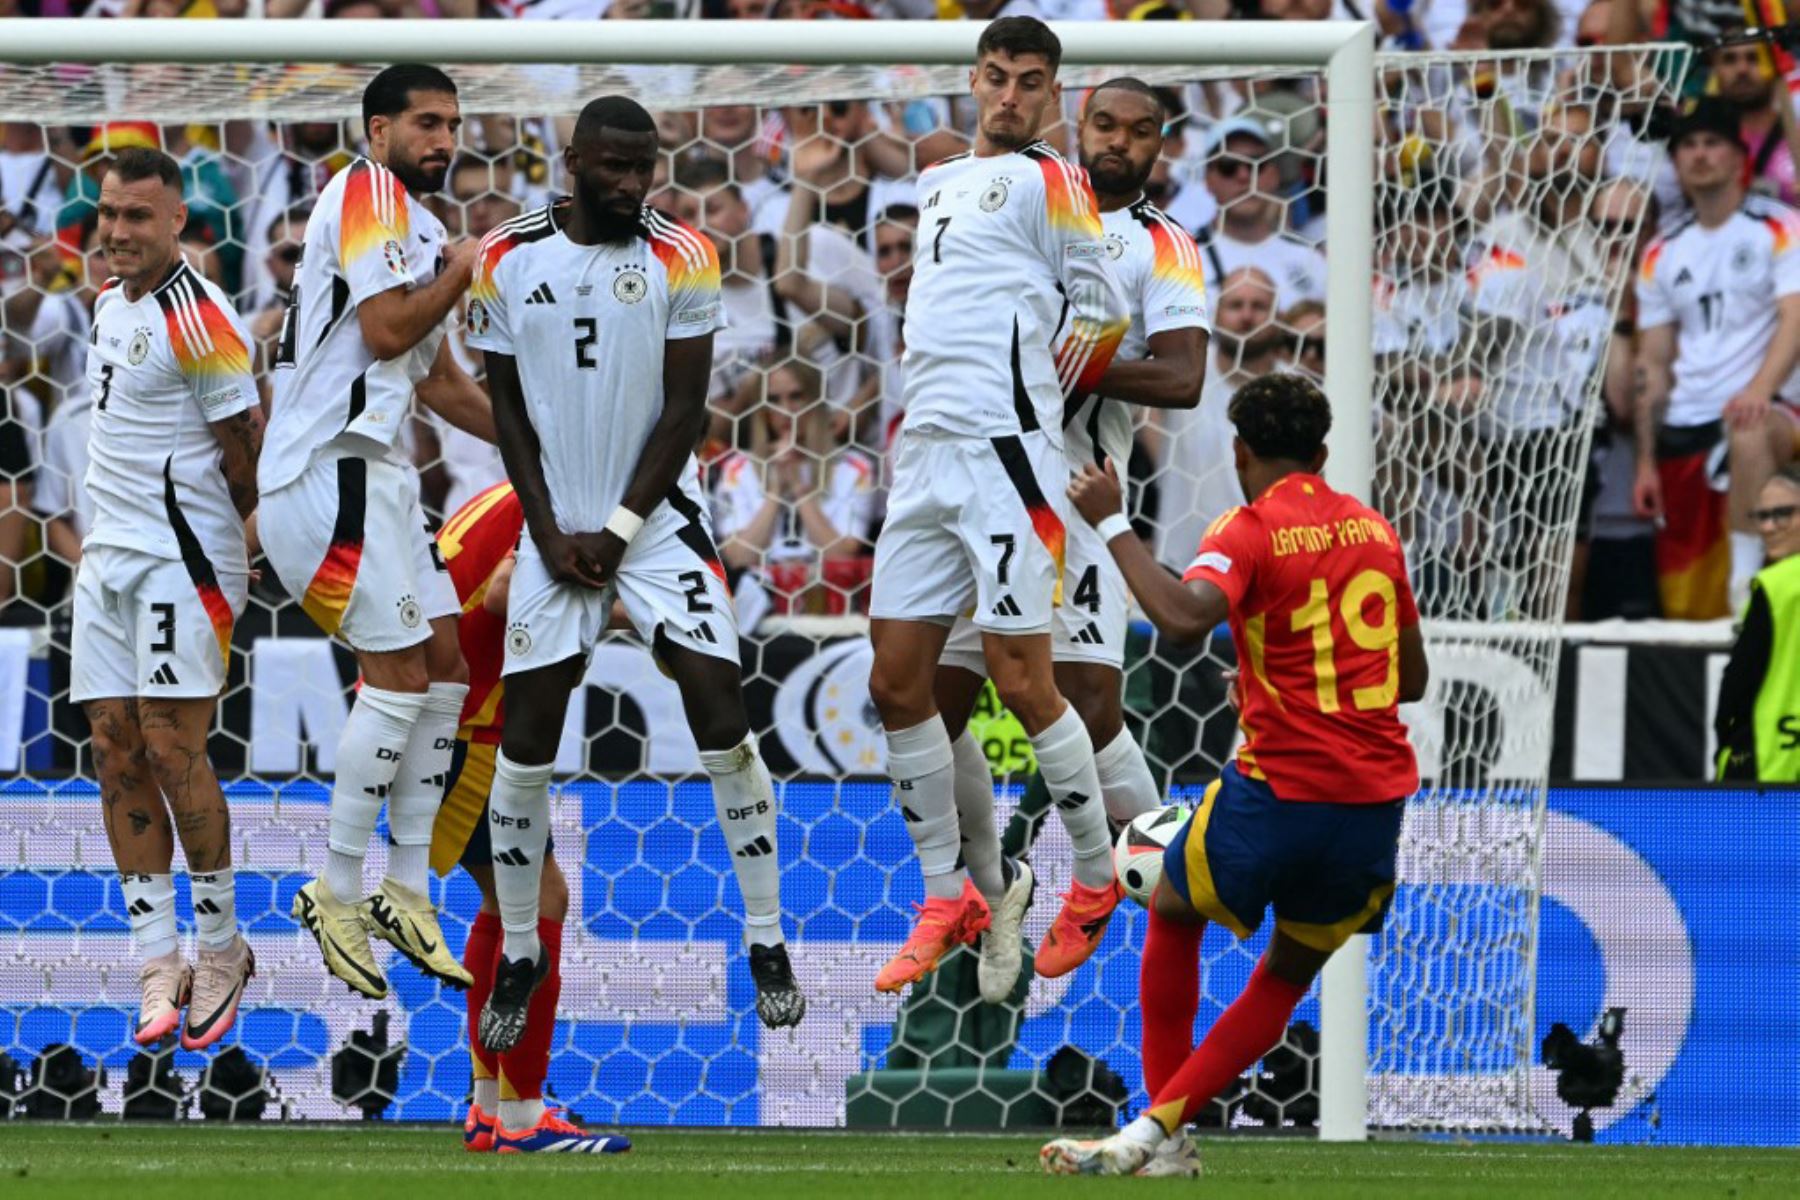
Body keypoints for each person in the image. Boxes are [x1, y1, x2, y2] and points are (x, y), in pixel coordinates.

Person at [465, 95, 805, 1078]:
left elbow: (687, 408)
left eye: (642, 167)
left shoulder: (684, 254)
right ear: (571, 159)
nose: (628, 184)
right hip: (551, 522)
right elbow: (506, 407)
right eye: (611, 166)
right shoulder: (503, 258)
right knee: (524, 741)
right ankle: (523, 953)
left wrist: (614, 531)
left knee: (719, 707)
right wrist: (544, 527)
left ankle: (768, 933)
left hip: (655, 524)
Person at [1043, 373, 1428, 1177]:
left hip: (1283, 787)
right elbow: (1410, 677)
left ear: (1240, 450)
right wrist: (1268, 677)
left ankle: (1166, 1141)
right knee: (1286, 974)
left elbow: (1183, 621)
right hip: (1375, 800)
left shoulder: (1250, 526)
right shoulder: (1377, 534)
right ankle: (1156, 1135)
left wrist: (1113, 522)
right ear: (1323, 454)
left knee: (1169, 900)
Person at [865, 16, 1129, 996]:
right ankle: (950, 894)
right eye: (997, 78)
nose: (1011, 94)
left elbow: (1103, 312)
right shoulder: (936, 181)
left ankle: (1097, 880)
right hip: (924, 454)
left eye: (1030, 82)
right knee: (898, 684)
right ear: (974, 82)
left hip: (1010, 462)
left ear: (1054, 96)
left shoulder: (1056, 181)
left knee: (1025, 681)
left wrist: (1032, 398)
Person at [933, 78, 1210, 1003]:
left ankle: (1152, 870)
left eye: (1141, 132)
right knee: (926, 703)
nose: (1120, 143)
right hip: (974, 487)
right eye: (1106, 125)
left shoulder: (1162, 244)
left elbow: (1182, 378)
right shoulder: (1017, 195)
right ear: (1075, 123)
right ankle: (992, 887)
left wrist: (1071, 362)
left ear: (1159, 147)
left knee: (1087, 706)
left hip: (1075, 498)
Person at [259, 65, 495, 1001]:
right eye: (426, 123)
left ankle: (405, 885)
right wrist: (465, 271)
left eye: (453, 125)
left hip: (380, 476)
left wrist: (539, 448)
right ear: (376, 129)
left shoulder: (421, 226)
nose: (443, 140)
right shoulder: (364, 193)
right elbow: (392, 332)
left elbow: (436, 381)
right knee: (399, 674)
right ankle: (336, 885)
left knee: (447, 668)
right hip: (325, 472)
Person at [70, 147, 264, 1051]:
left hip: (182, 564)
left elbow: (245, 446)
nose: (118, 232)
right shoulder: (110, 303)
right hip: (106, 559)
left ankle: (221, 947)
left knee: (170, 742)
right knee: (112, 745)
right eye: (110, 214)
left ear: (179, 222)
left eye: (138, 217)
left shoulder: (205, 319)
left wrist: (250, 543)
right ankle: (158, 955)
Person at [427, 481, 630, 1155]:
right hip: (463, 724)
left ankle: (490, 1107)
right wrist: (639, 614)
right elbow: (504, 593)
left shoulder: (513, 490)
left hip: (436, 713)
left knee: (503, 899)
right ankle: (521, 1115)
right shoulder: (570, 500)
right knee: (541, 899)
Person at [1634, 99, 1800, 618]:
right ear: (1676, 162)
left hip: (1767, 410)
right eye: (1687, 145)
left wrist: (1760, 389)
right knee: (1686, 607)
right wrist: (1643, 459)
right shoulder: (1662, 251)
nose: (1699, 155)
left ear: (1738, 157)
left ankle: (1746, 587)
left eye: (1712, 143)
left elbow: (1795, 317)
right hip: (1687, 422)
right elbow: (1652, 363)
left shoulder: (1779, 226)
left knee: (1748, 429)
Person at [1714, 465, 1800, 782]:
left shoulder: (1776, 586)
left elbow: (1739, 681)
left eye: (1782, 514)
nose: (1768, 526)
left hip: (1776, 764)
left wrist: (1728, 743)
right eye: (1761, 516)